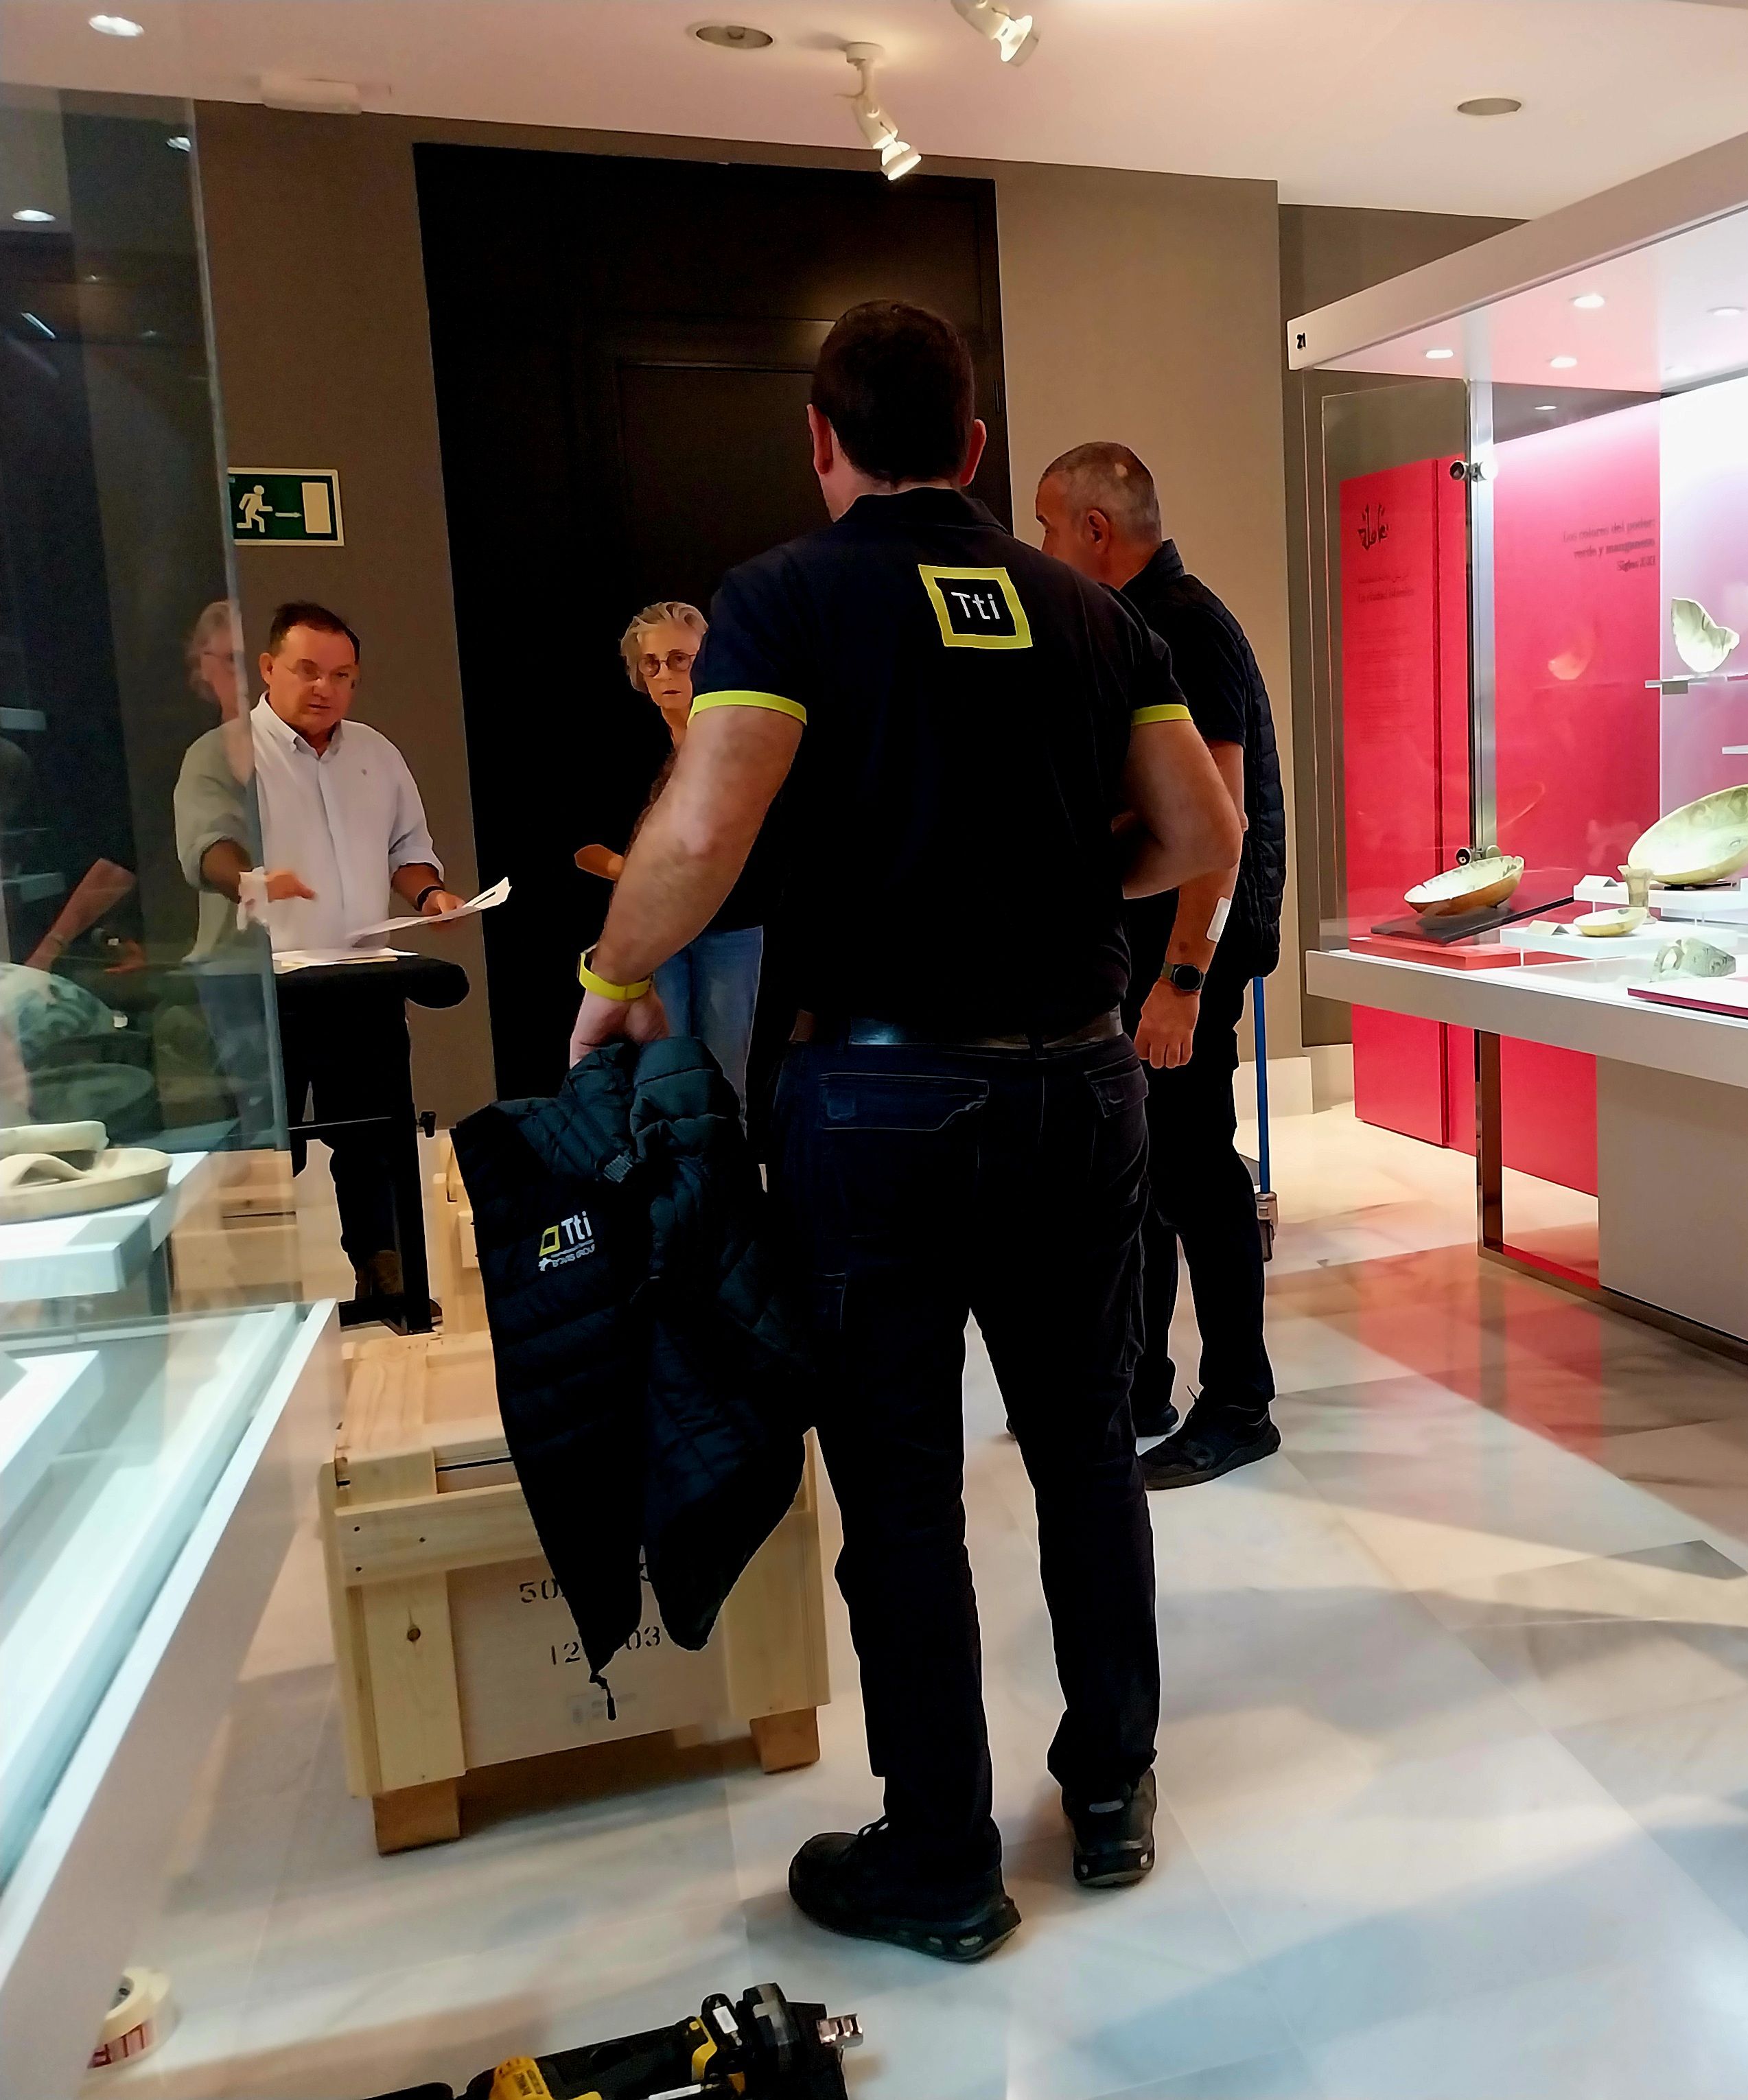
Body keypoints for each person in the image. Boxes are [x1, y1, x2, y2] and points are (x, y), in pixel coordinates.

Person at [567, 301, 1238, 1962]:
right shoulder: (1094, 615)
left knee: (902, 1486)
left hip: (874, 1103)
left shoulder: (785, 600)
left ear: (819, 439)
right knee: (1087, 1447)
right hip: (1081, 1084)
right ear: (975, 449)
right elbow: (1197, 831)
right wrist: (1072, 887)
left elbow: (706, 831)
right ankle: (1106, 1792)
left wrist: (610, 971)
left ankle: (938, 1855)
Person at [1036, 441, 1287, 1489]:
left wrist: (1183, 981)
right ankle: (1138, 1385)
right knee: (1139, 1182)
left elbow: (1216, 827)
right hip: (1148, 959)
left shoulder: (1184, 626)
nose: (1040, 547)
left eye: (1049, 526)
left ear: (1097, 529)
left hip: (1186, 961)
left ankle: (1239, 1405)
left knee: (1196, 1177)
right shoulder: (1140, 623)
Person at [176, 600, 469, 1301]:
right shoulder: (222, 752)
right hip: (256, 984)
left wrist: (431, 897)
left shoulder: (377, 753)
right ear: (270, 669)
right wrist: (250, 878)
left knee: (377, 1137)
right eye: (307, 670)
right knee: (261, 1144)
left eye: (341, 675)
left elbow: (408, 851)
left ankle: (386, 1272)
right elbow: (207, 848)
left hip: (357, 975)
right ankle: (262, 1293)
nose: (324, 688)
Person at [587, 600, 773, 1112]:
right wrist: (644, 873)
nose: (665, 673)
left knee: (725, 1070)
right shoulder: (623, 746)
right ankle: (670, 1182)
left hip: (733, 922)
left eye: (679, 659)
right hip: (652, 926)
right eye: (652, 663)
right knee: (663, 1068)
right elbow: (585, 847)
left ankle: (724, 1183)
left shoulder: (739, 737)